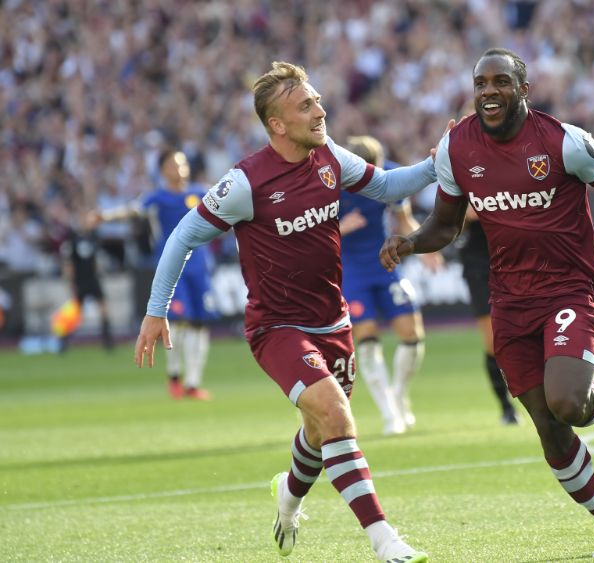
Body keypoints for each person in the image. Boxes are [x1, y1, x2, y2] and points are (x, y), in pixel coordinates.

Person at [134, 62, 444, 562]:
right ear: (276, 124)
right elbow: (183, 236)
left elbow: (386, 186)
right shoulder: (245, 182)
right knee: (337, 416)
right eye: (306, 105)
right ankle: (386, 541)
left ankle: (288, 497)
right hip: (277, 328)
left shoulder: (327, 156)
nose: (320, 110)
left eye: (317, 100)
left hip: (333, 321)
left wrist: (434, 166)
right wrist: (156, 310)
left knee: (320, 430)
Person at [380, 48, 594, 557]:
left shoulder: (561, 141)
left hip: (568, 288)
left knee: (569, 404)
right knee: (548, 428)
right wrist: (410, 242)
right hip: (509, 299)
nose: (489, 90)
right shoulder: (456, 147)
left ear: (523, 90)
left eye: (501, 81)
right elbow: (445, 224)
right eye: (480, 82)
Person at [340, 135, 442, 436]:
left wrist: (426, 246)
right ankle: (390, 414)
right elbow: (310, 232)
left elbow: (403, 218)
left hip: (386, 267)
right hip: (352, 273)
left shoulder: (390, 177)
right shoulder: (331, 185)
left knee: (412, 334)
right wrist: (340, 227)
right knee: (368, 340)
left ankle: (399, 393)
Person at [94, 149, 215, 400]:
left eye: (182, 163)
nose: (179, 169)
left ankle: (193, 383)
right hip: (172, 266)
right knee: (178, 321)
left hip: (199, 266)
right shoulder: (157, 198)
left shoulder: (200, 193)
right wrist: (105, 216)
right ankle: (174, 376)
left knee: (199, 325)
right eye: (173, 164)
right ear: (162, 171)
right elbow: (133, 211)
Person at [457, 205, 520, 425]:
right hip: (479, 264)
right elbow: (455, 215)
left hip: (516, 257)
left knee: (531, 330)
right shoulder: (463, 175)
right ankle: (506, 407)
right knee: (493, 341)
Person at [59, 207, 115, 352]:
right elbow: (69, 263)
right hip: (80, 280)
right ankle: (63, 341)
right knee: (75, 312)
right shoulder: (73, 238)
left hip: (93, 278)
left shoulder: (93, 237)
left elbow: (95, 259)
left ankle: (108, 341)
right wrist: (71, 282)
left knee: (103, 308)